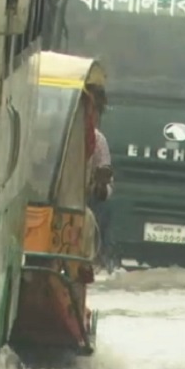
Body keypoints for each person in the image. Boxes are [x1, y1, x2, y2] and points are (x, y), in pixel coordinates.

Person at [84, 83, 114, 269]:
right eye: (89, 109)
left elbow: (108, 188)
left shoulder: (98, 142)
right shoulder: (54, 131)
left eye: (96, 111)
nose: (92, 116)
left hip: (81, 206)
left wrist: (101, 186)